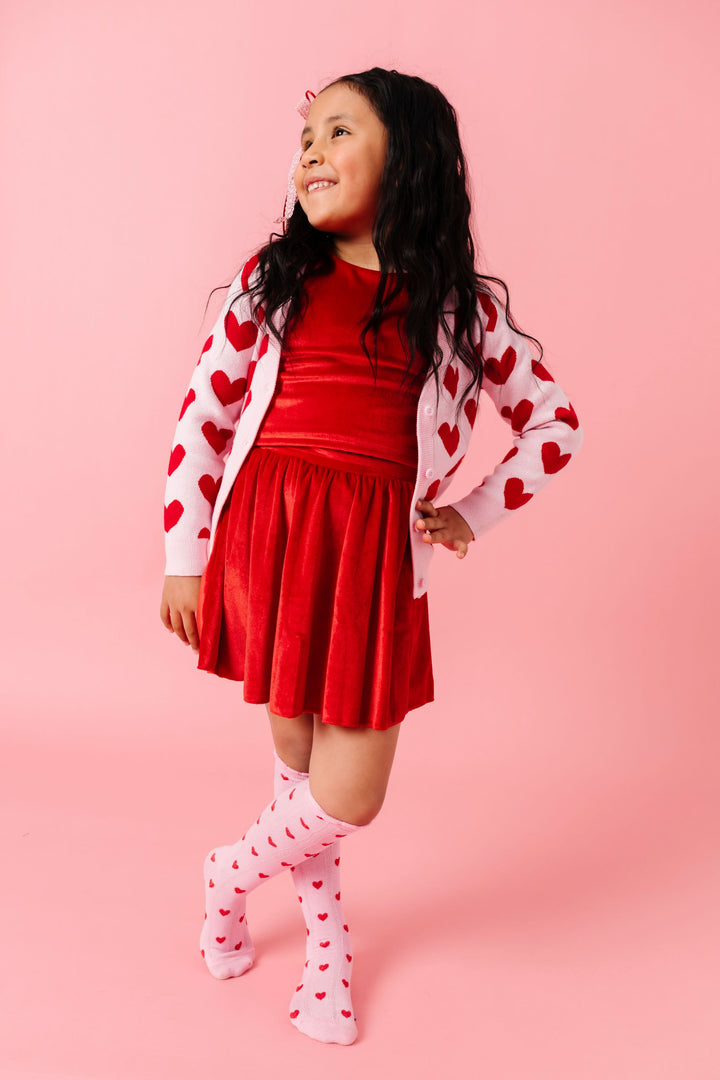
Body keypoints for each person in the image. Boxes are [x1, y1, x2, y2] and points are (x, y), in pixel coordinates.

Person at [159, 67, 584, 1046]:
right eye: (304, 134)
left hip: (375, 559)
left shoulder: (463, 310)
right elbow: (203, 419)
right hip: (273, 537)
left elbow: (554, 423)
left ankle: (229, 873)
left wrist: (475, 509)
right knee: (301, 762)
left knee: (347, 793)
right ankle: (326, 949)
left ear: (411, 159)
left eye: (338, 131)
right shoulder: (273, 283)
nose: (309, 151)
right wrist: (186, 554)